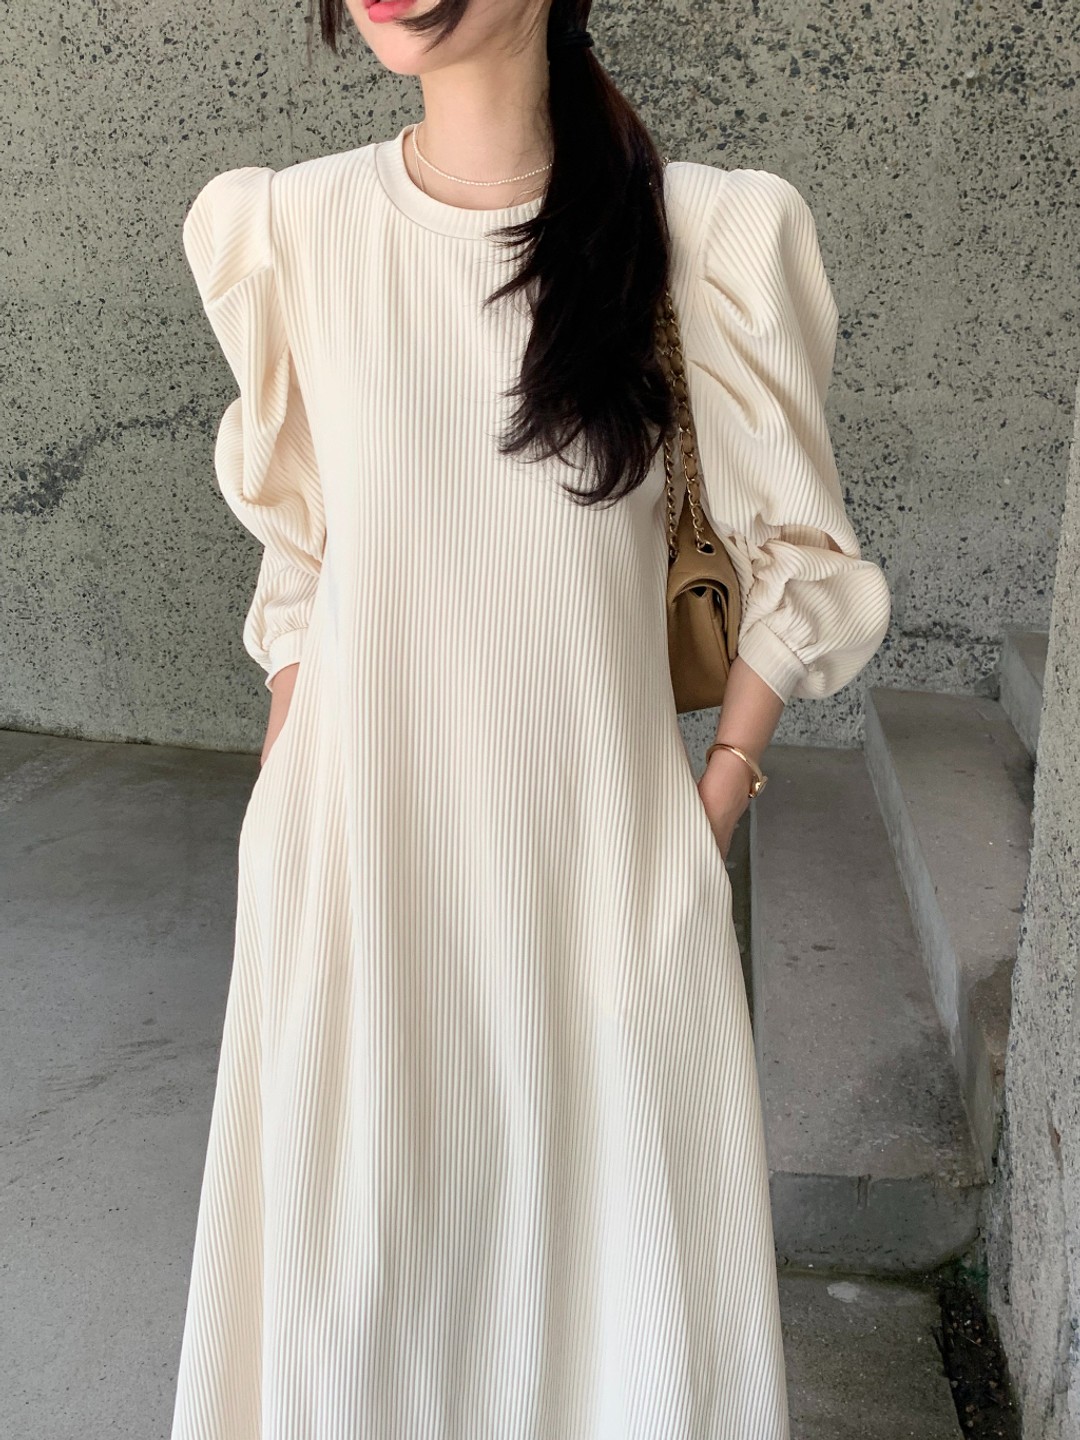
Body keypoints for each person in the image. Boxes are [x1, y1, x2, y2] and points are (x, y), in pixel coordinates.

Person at [171, 0, 892, 1436]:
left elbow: (800, 561)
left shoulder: (700, 234)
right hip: (356, 880)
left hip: (602, 884)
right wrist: (286, 790)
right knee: (352, 1316)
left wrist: (713, 802)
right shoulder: (292, 228)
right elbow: (305, 557)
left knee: (611, 1327)